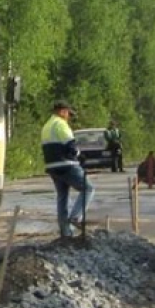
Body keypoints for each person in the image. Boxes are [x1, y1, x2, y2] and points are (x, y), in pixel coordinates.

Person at [41, 99, 95, 237]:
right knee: (88, 188)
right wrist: (79, 154)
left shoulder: (46, 126)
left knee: (62, 197)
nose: (69, 117)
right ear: (63, 111)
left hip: (52, 167)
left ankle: (65, 232)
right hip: (66, 165)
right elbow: (71, 146)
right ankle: (76, 217)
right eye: (68, 114)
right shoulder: (61, 124)